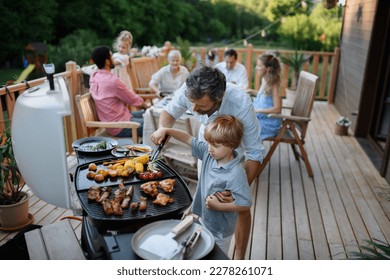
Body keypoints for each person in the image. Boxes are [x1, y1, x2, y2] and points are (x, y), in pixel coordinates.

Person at [150, 65, 265, 259]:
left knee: (240, 210)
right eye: (191, 102)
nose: (193, 108)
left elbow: (255, 152)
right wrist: (164, 129)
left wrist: (237, 190)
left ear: (217, 99)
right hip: (208, 144)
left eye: (200, 106)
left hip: (234, 152)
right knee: (207, 196)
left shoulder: (240, 103)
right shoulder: (190, 90)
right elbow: (168, 113)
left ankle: (239, 258)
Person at [156, 115, 252, 255]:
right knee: (202, 251)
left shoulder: (236, 173)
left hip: (220, 230)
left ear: (231, 145)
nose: (210, 148)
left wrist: (219, 206)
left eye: (216, 145)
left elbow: (245, 204)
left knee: (216, 256)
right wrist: (166, 130)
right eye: (208, 143)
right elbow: (188, 138)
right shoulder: (209, 153)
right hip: (204, 219)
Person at [89, 45, 150, 138]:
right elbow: (132, 99)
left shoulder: (94, 76)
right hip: (120, 126)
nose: (113, 59)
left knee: (151, 115)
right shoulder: (112, 81)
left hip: (119, 118)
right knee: (155, 123)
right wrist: (148, 107)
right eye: (111, 56)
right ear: (107, 61)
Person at [252, 53, 282, 140]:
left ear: (268, 69)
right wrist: (251, 91)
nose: (256, 68)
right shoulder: (265, 79)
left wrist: (257, 110)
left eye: (259, 66)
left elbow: (277, 109)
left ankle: (252, 152)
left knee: (241, 128)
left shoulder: (274, 84)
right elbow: (264, 95)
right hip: (261, 118)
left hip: (269, 123)